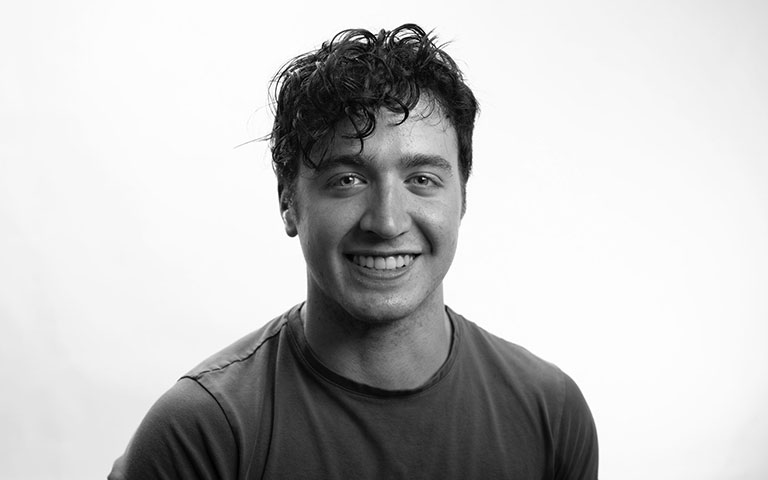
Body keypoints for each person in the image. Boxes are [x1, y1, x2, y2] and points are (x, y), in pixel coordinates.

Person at [109, 23, 598, 479]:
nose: (387, 222)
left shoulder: (551, 415)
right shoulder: (202, 434)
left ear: (463, 198)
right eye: (347, 180)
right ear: (288, 203)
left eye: (422, 179)